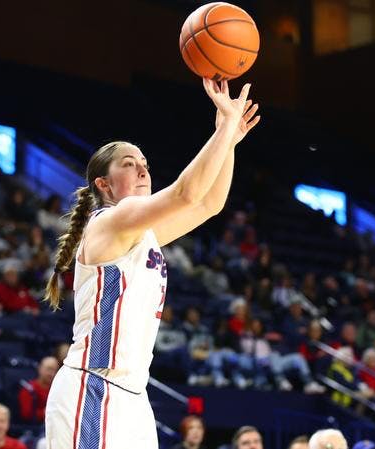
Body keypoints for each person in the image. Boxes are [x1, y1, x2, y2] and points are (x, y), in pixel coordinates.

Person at [44, 79, 259, 449]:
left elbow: (209, 204)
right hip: (94, 385)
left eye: (145, 164)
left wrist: (230, 143)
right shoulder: (110, 220)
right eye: (129, 164)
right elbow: (186, 193)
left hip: (133, 394)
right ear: (104, 184)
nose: (143, 170)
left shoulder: (142, 233)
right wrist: (223, 128)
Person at [18, 357, 59, 423]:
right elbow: (26, 414)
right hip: (34, 426)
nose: (51, 373)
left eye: (55, 370)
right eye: (49, 369)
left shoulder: (57, 390)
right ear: (40, 368)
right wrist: (46, 412)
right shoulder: (29, 389)